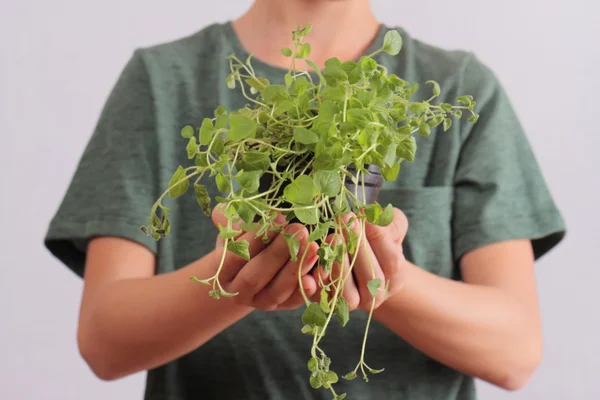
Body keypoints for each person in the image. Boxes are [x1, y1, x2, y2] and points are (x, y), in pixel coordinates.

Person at [44, 0, 566, 399]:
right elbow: (104, 339)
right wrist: (230, 277)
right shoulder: (160, 81)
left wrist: (382, 280)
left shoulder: (455, 86)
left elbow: (515, 351)